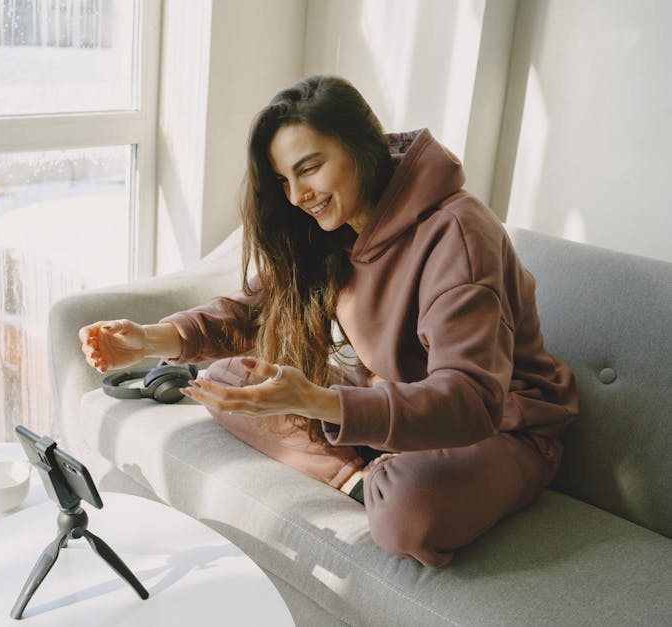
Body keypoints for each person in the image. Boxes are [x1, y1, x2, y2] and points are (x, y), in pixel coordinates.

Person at [79, 75, 577, 568]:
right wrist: (149, 339)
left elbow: (471, 400)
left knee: (407, 514)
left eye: (310, 168)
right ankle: (360, 479)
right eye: (283, 181)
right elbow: (253, 310)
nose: (297, 195)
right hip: (390, 404)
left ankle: (388, 479)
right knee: (227, 381)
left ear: (362, 147)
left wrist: (316, 400)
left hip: (499, 427)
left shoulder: (458, 235)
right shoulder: (331, 229)